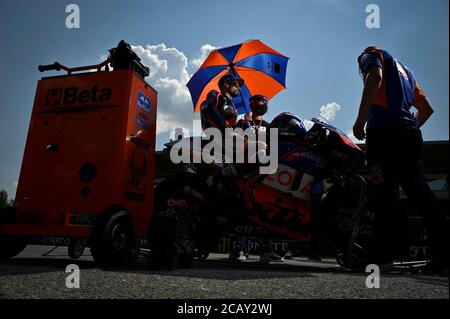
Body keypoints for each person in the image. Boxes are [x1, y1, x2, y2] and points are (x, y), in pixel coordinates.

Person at [352, 46, 449, 273]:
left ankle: (380, 258)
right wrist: (409, 126)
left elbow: (375, 77)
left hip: (383, 134)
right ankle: (443, 259)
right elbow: (426, 109)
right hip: (409, 134)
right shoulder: (407, 72)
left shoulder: (372, 54)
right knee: (422, 194)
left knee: (384, 193)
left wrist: (360, 119)